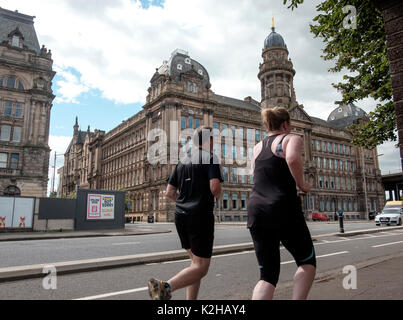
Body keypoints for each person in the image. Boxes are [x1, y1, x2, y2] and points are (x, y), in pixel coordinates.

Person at [247, 106, 316, 300]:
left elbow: (254, 174)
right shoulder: (291, 138)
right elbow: (293, 158)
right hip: (282, 207)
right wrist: (302, 184)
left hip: (256, 209)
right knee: (307, 262)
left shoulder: (257, 147)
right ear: (286, 124)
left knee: (267, 276)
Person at [148, 126, 223, 300]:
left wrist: (184, 203)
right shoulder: (210, 157)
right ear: (209, 140)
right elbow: (215, 187)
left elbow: (169, 193)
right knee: (202, 267)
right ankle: (164, 288)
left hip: (180, 216)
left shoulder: (182, 161)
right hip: (200, 216)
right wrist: (215, 198)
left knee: (195, 264)